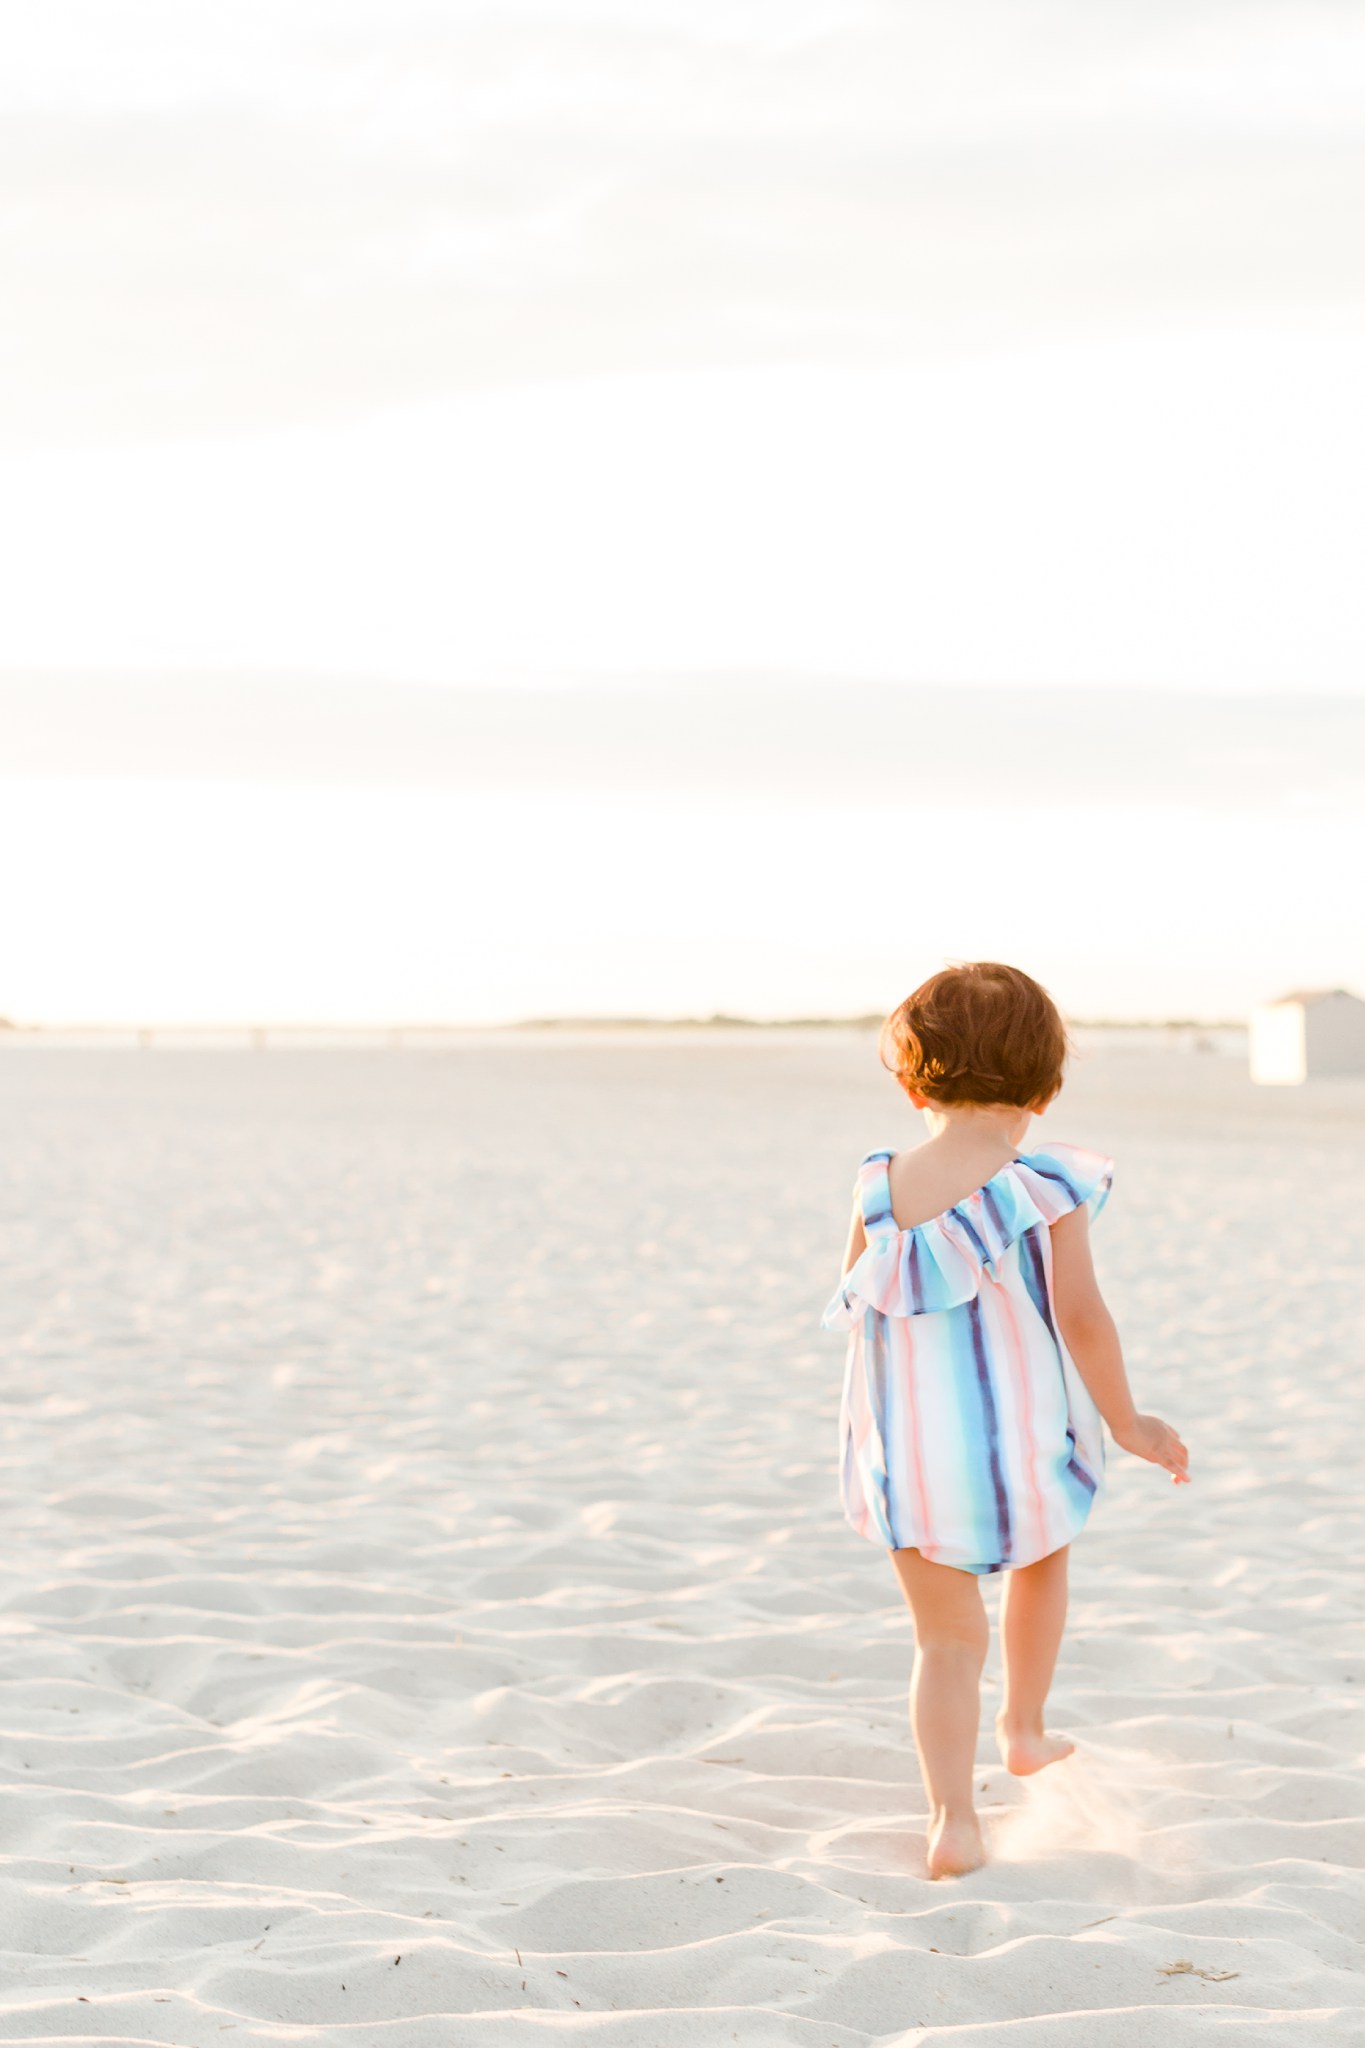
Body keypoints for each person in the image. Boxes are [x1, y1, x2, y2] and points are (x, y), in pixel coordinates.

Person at [822, 962, 1189, 1878]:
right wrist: (1131, 1422)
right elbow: (1082, 1318)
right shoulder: (1048, 1187)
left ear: (910, 1081)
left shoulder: (877, 1184)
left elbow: (856, 1301)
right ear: (1047, 1083)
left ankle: (953, 1819)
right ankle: (1022, 1728)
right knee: (1041, 1559)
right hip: (1022, 1442)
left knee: (944, 1642)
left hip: (913, 1453)